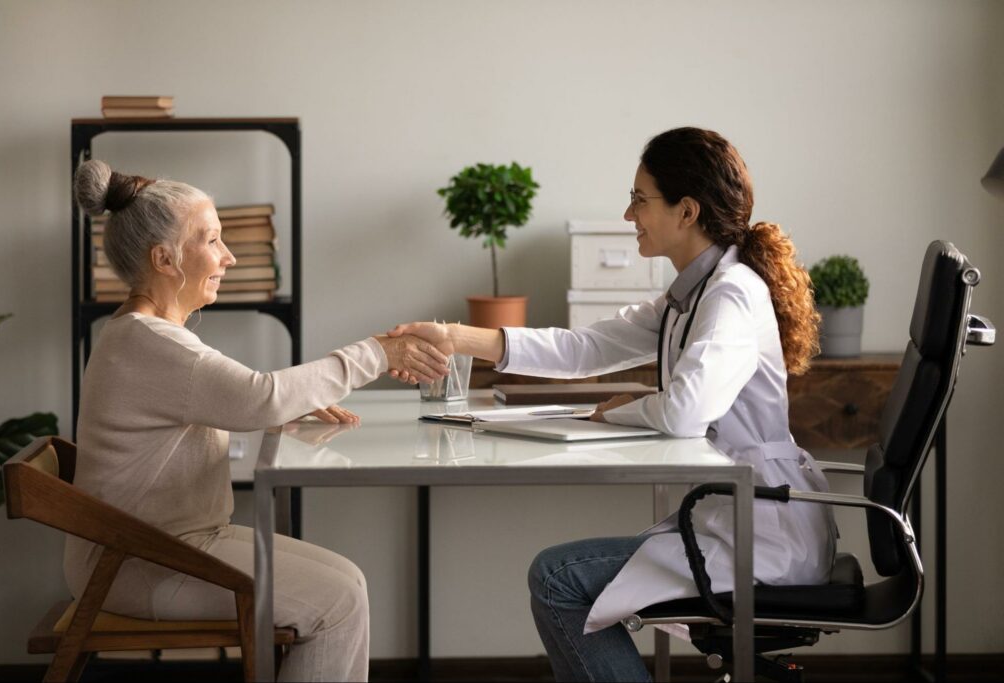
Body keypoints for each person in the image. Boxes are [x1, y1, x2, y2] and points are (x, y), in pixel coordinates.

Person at [387, 127, 837, 681]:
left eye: (640, 200)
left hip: (762, 536)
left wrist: (625, 404)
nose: (629, 215)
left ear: (687, 210)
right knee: (562, 576)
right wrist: (458, 337)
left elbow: (683, 413)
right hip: (738, 516)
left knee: (557, 578)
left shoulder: (732, 294)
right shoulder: (690, 294)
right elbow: (584, 348)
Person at [66, 160, 449, 682]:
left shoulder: (142, 334)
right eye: (212, 240)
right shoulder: (150, 342)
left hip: (161, 545)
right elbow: (260, 398)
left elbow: (246, 395)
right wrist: (378, 353)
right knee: (336, 603)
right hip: (140, 563)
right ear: (165, 259)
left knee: (350, 583)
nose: (228, 256)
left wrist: (294, 399)